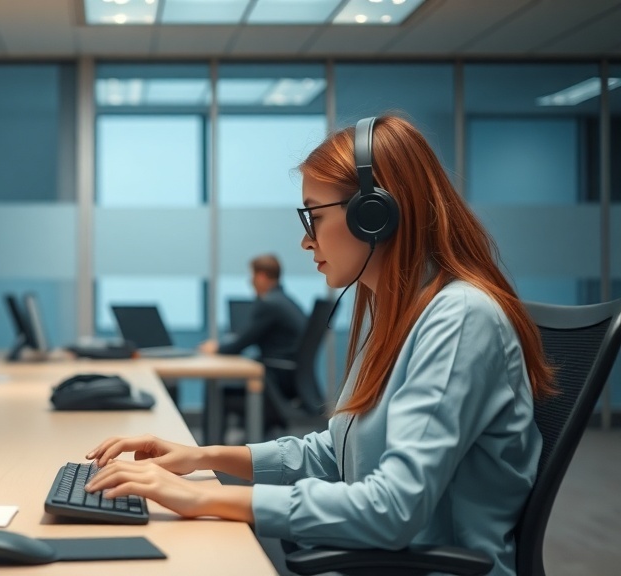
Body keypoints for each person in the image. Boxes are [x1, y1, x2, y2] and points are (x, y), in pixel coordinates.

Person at [84, 115, 554, 576]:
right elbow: (333, 455)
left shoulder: (459, 318)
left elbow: (393, 508)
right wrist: (203, 458)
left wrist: (205, 497)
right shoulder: (392, 313)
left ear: (375, 216)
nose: (305, 241)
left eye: (314, 215)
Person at [200, 254, 307, 401]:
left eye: (252, 275)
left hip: (275, 381)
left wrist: (216, 348)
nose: (250, 281)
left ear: (261, 277)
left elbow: (241, 343)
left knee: (215, 386)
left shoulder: (269, 304)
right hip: (291, 378)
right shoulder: (286, 301)